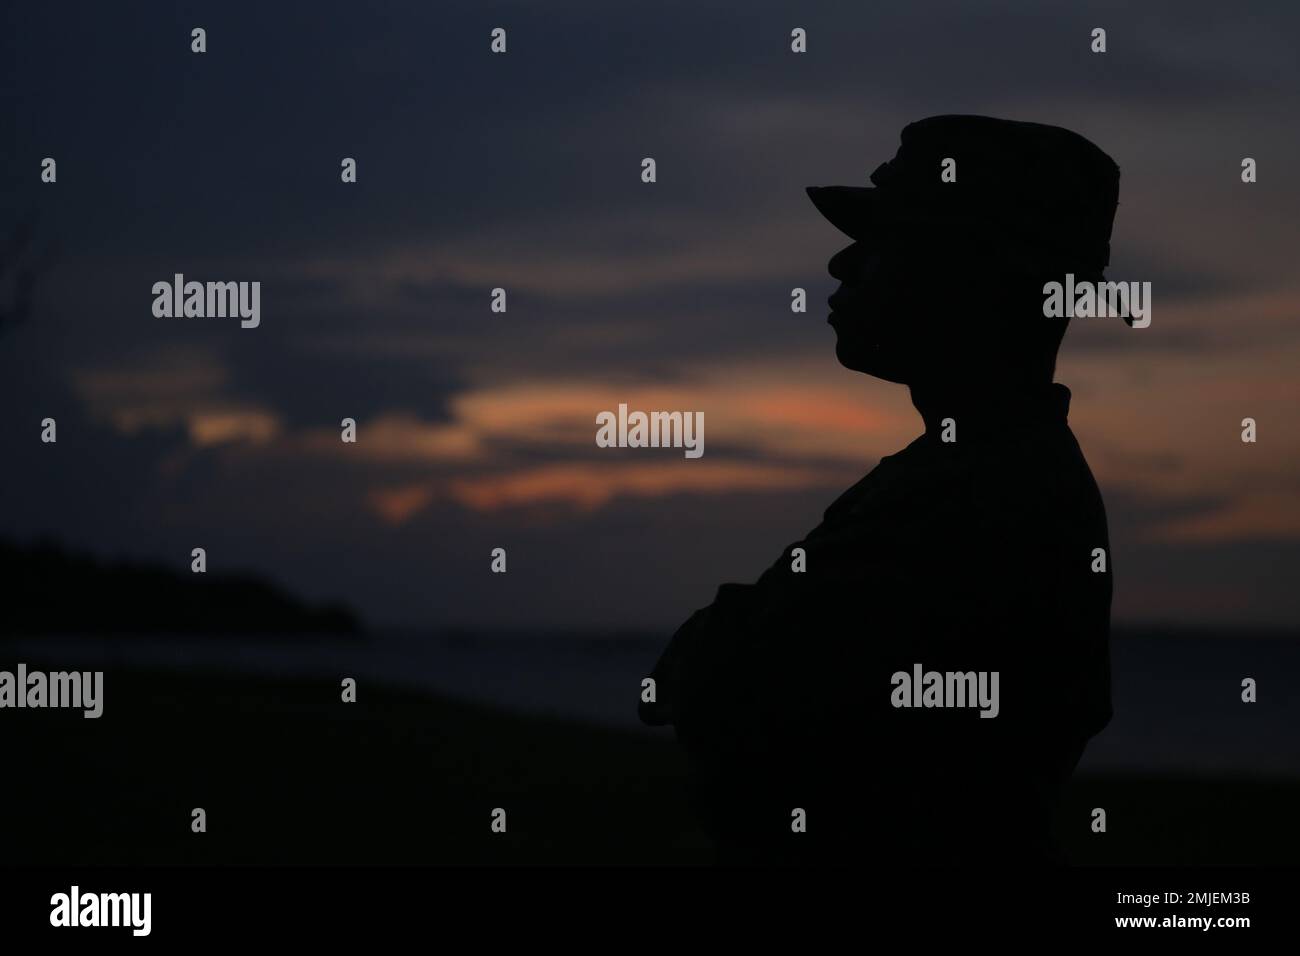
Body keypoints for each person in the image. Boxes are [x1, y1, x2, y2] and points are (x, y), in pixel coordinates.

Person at [640, 115, 1119, 865]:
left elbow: (736, 698)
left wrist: (719, 646)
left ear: (972, 275)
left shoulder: (980, 496)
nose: (841, 263)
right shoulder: (971, 473)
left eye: (883, 242)